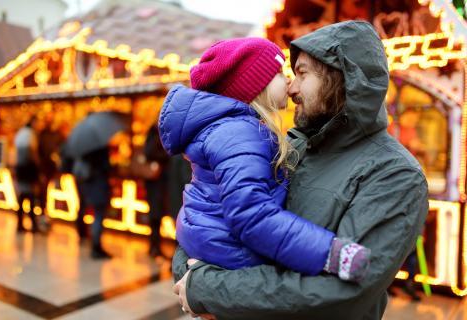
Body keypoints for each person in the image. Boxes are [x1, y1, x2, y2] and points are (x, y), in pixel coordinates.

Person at [172, 21, 429, 320]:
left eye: (302, 73)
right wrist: (189, 275)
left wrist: (207, 289)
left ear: (342, 78)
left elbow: (341, 293)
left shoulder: (395, 173)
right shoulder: (288, 145)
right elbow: (204, 218)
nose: (291, 88)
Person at [160, 36, 372, 286]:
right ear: (254, 85)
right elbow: (252, 214)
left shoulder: (232, 130)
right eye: (281, 74)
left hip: (214, 244)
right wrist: (331, 253)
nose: (290, 85)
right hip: (233, 252)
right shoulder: (240, 135)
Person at [72, 147, 112, 259]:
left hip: (86, 183)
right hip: (98, 183)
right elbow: (106, 167)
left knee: (83, 208)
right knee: (98, 215)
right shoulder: (101, 149)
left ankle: (82, 234)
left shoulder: (84, 148)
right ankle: (96, 246)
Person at [143, 124, 171, 258]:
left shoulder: (151, 135)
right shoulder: (155, 136)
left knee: (155, 214)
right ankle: (155, 247)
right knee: (156, 214)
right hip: (156, 182)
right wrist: (166, 155)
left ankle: (154, 246)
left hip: (154, 182)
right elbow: (150, 153)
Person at [14, 117, 41, 233]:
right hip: (27, 170)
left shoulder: (21, 133)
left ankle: (21, 223)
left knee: (23, 197)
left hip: (21, 169)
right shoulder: (30, 135)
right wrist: (37, 167)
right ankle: (33, 224)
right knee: (29, 197)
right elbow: (32, 155)